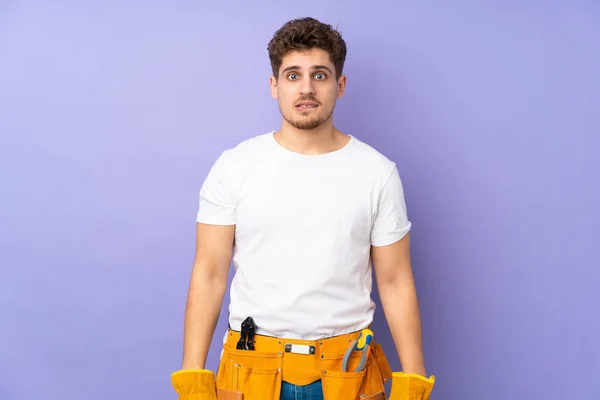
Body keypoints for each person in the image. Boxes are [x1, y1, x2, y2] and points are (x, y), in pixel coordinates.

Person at [170, 17, 435, 400]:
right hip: (252, 370)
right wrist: (193, 376)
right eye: (293, 75)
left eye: (320, 75)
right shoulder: (234, 166)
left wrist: (414, 381)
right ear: (274, 85)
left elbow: (395, 280)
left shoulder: (377, 172)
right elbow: (209, 272)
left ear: (339, 86)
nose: (307, 88)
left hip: (348, 372)